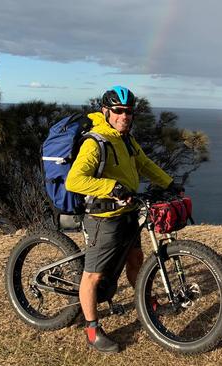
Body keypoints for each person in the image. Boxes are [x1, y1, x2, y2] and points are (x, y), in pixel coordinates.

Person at [66, 85, 180, 353]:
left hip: (127, 213)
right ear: (105, 111)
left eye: (128, 112)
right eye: (118, 111)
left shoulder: (126, 138)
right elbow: (74, 180)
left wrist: (169, 182)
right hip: (103, 217)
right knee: (93, 275)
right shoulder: (96, 142)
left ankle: (146, 302)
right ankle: (92, 329)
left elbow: (144, 164)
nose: (124, 116)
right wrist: (111, 187)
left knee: (135, 261)